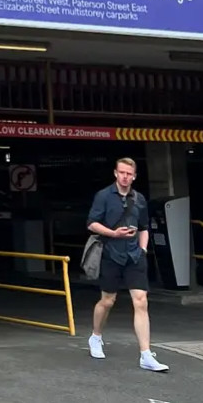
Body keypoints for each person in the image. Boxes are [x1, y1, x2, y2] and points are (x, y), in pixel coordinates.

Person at [86, 156, 169, 372]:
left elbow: (144, 227)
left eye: (128, 173)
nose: (124, 177)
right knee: (107, 300)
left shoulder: (139, 199)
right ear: (115, 173)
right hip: (111, 254)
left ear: (134, 176)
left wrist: (142, 250)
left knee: (141, 301)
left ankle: (145, 354)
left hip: (134, 255)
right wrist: (113, 233)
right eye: (121, 172)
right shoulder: (104, 196)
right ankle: (96, 336)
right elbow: (92, 223)